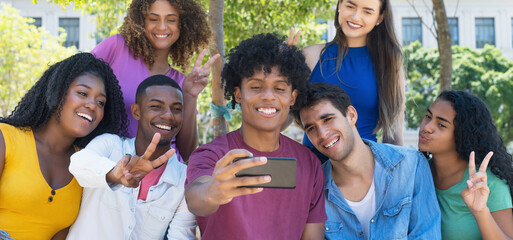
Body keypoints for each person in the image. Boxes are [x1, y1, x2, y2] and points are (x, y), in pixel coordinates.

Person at [185, 33, 327, 240]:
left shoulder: (310, 164)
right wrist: (212, 190)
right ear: (238, 94)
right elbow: (195, 198)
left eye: (279, 88)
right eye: (256, 87)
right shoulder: (210, 154)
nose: (268, 96)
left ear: (292, 97)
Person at [0, 52, 128, 240]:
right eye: (82, 93)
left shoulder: (86, 166)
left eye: (101, 102)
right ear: (57, 92)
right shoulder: (6, 138)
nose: (92, 105)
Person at [292, 82, 441, 239]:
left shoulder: (411, 165)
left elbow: (427, 234)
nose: (322, 134)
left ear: (351, 115)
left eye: (328, 119)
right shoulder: (314, 191)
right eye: (311, 129)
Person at [67, 75, 196, 239]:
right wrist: (115, 175)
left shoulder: (184, 180)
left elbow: (181, 236)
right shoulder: (110, 145)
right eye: (156, 106)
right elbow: (78, 164)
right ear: (136, 111)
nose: (169, 115)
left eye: (176, 109)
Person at [92, 0, 219, 161]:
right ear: (141, 21)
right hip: (111, 167)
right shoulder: (116, 48)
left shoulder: (182, 83)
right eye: (153, 18)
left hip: (164, 178)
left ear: (183, 25)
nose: (162, 26)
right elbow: (75, 80)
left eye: (171, 19)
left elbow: (186, 152)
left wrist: (190, 96)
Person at [300, 0, 404, 162]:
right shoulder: (311, 57)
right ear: (340, 5)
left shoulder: (389, 63)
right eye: (350, 6)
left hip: (365, 170)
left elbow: (394, 135)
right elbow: (283, 116)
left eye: (367, 11)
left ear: (380, 17)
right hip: (313, 168)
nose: (356, 17)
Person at [418, 90, 513, 239]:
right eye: (428, 117)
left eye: (441, 125)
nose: (427, 127)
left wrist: (480, 211)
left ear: (462, 135)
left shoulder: (487, 183)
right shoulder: (415, 173)